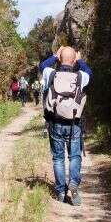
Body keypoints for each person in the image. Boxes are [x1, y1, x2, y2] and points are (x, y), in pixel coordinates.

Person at [40, 45, 91, 204]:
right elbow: (89, 71)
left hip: (55, 122)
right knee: (74, 156)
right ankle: (74, 183)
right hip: (74, 123)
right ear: (74, 60)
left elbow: (42, 66)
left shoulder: (51, 73)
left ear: (60, 59)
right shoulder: (81, 77)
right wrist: (80, 59)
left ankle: (61, 192)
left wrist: (55, 55)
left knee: (58, 158)